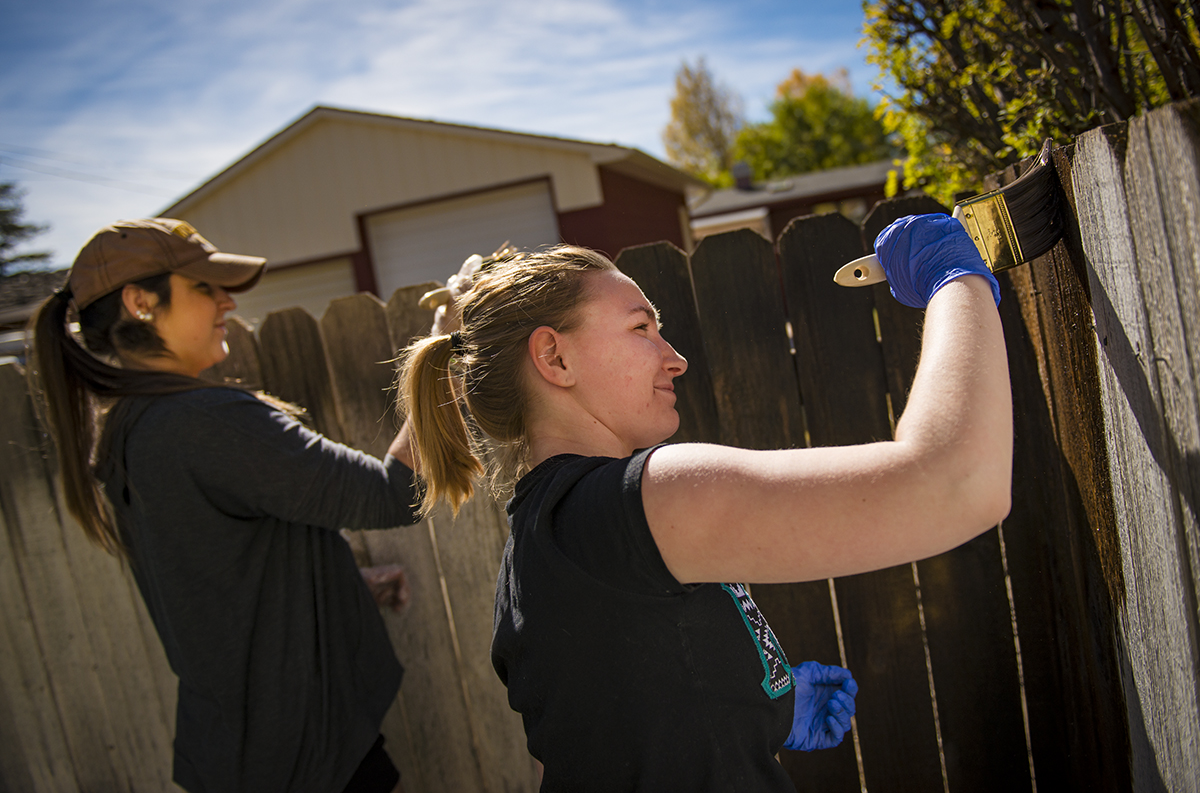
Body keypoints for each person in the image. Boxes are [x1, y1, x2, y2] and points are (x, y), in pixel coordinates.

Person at [397, 213, 1012, 792]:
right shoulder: (645, 498)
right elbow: (958, 484)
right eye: (642, 328)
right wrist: (953, 279)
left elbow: (583, 748)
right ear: (555, 358)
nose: (677, 358)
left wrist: (754, 698)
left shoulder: (536, 554)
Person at [27, 218, 424, 793]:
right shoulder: (203, 422)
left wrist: (348, 583)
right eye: (203, 288)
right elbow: (397, 493)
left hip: (243, 753)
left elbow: (215, 578)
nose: (227, 300)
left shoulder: (129, 431)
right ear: (141, 303)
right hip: (304, 759)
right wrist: (444, 354)